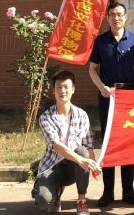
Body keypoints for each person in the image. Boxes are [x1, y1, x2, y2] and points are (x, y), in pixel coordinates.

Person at [89, 1, 134, 208]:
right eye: (112, 14)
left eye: (119, 14)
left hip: (129, 96)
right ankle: (108, 191)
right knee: (109, 142)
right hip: (108, 96)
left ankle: (128, 190)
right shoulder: (101, 41)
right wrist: (101, 87)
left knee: (128, 143)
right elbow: (92, 69)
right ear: (108, 18)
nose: (116, 18)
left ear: (126, 17)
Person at [32, 70, 99, 214]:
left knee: (82, 151)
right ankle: (55, 193)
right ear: (53, 90)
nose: (62, 91)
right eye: (58, 87)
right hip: (52, 165)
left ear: (73, 89)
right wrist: (81, 161)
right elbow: (56, 145)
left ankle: (81, 201)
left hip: (72, 168)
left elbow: (88, 145)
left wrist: (93, 164)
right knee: (43, 200)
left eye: (66, 87)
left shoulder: (82, 115)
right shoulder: (46, 118)